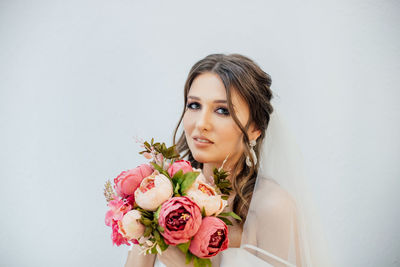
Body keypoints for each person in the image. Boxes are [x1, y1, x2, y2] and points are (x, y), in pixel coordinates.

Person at [125, 53, 329, 267]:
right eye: (194, 105)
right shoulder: (164, 195)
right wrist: (146, 216)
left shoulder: (271, 206)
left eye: (222, 111)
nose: (201, 124)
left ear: (254, 129)